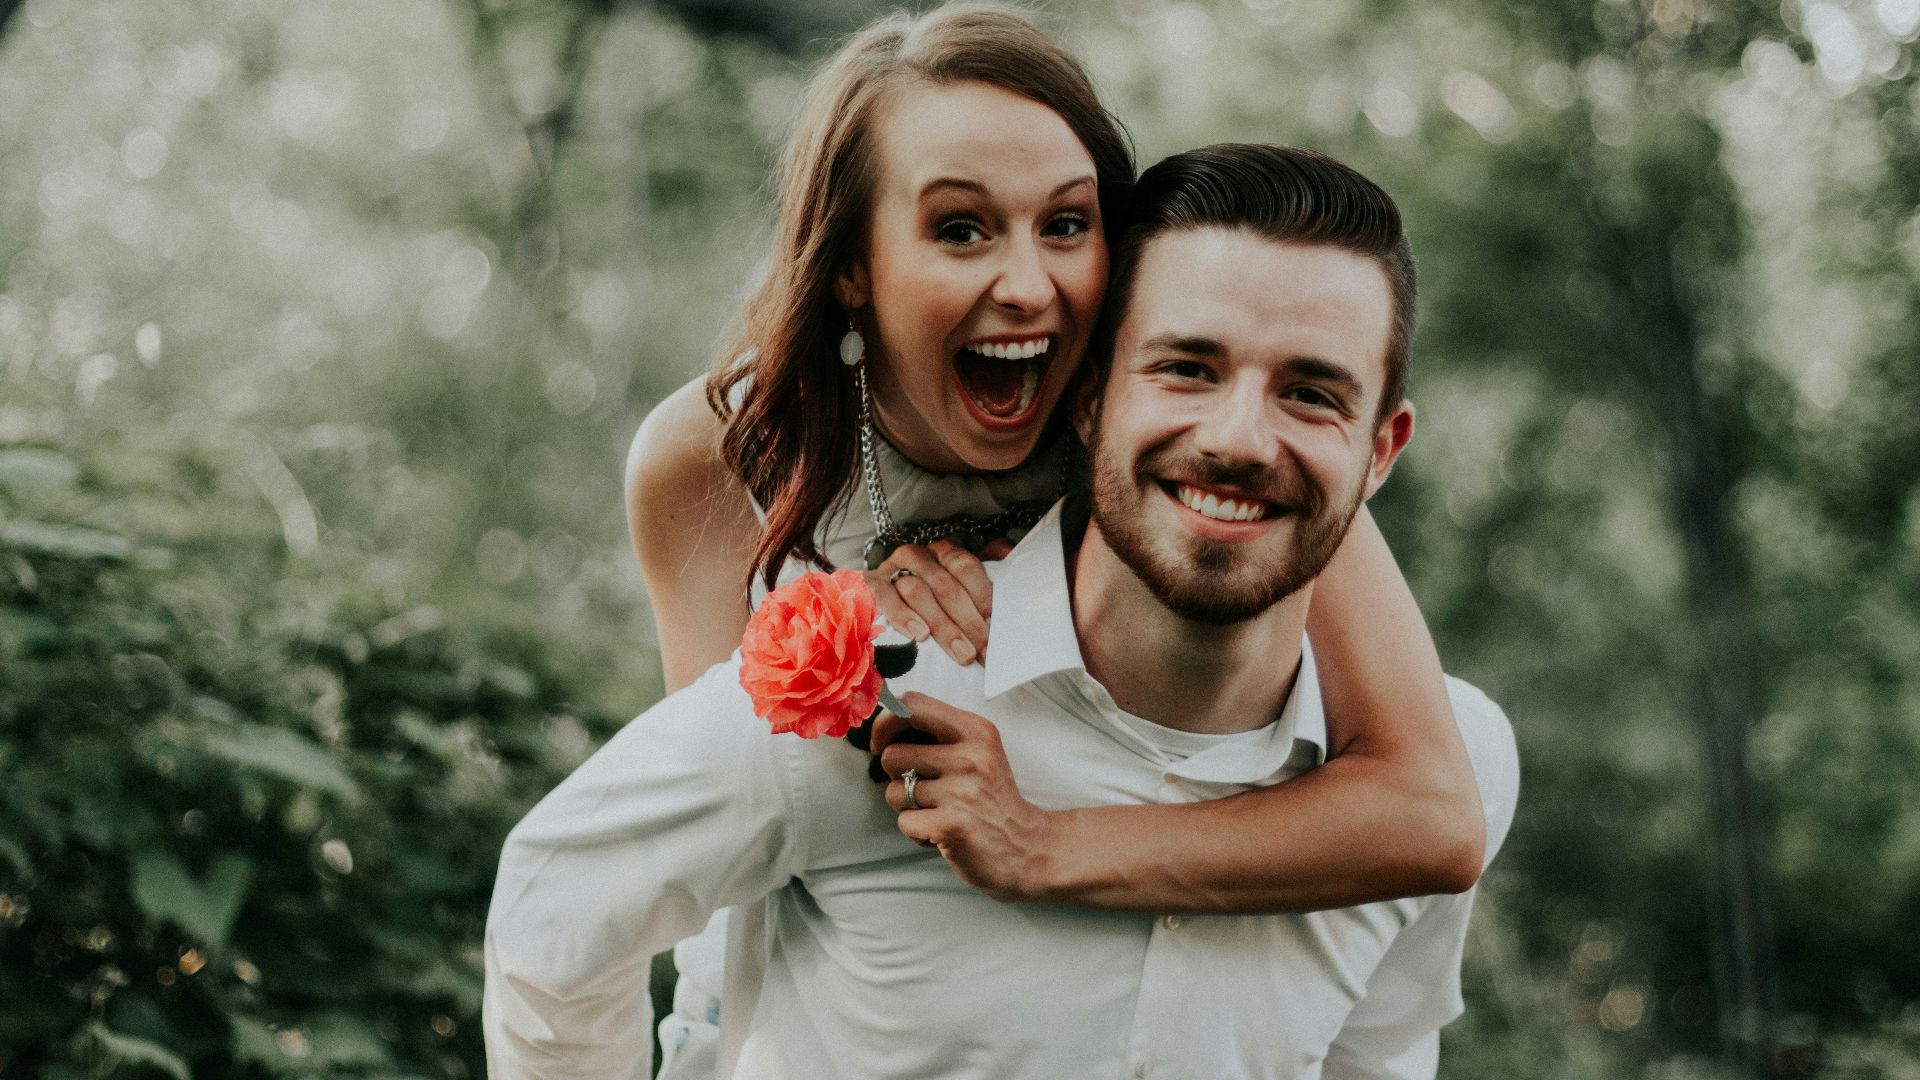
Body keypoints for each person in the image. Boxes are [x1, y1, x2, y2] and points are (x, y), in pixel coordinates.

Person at [488, 143, 1519, 1079]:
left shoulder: (1452, 762)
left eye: (1311, 393)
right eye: (1187, 368)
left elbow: (1374, 1058)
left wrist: (1046, 845)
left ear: (1382, 450)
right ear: (1087, 397)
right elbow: (553, 915)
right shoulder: (867, 699)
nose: (1240, 438)